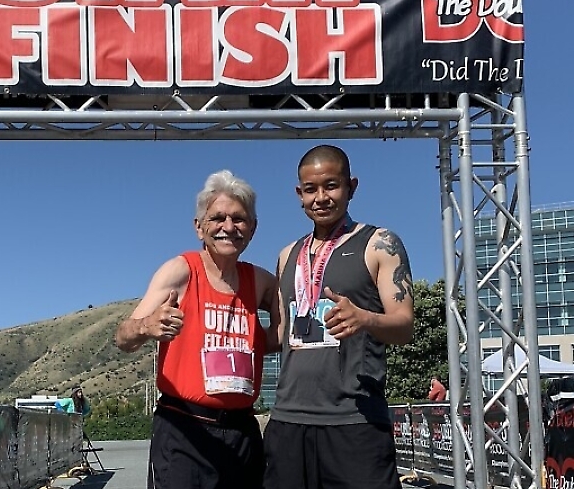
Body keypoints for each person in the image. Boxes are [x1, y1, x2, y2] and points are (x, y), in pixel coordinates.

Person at [115, 170, 280, 489]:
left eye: (239, 219)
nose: (228, 227)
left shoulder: (260, 281)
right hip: (185, 431)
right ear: (199, 227)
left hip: (242, 432)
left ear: (253, 228)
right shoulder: (180, 271)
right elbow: (123, 337)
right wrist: (148, 326)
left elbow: (285, 332)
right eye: (217, 218)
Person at [263, 145, 414, 489]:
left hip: (354, 422)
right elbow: (280, 334)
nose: (321, 198)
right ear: (299, 194)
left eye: (331, 185)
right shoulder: (287, 255)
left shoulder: (379, 243)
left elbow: (404, 326)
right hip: (288, 422)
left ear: (351, 187)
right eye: (310, 189)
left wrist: (365, 319)